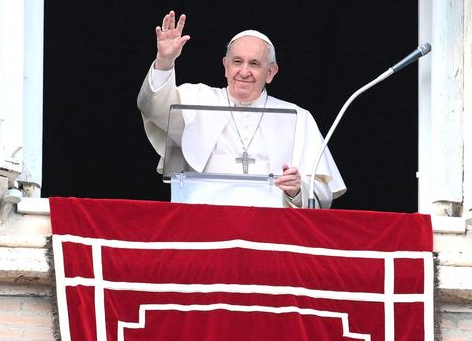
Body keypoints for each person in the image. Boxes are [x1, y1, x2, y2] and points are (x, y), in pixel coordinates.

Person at [137, 11, 346, 208]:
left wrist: (298, 190)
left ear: (271, 73)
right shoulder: (196, 99)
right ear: (226, 66)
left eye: (254, 64)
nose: (244, 71)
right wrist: (164, 62)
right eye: (237, 62)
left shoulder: (299, 118)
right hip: (204, 221)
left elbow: (322, 192)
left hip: (272, 228)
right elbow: (153, 107)